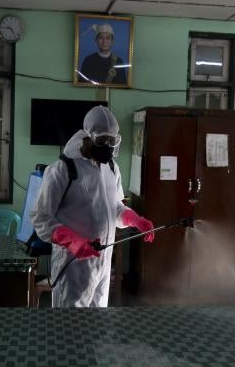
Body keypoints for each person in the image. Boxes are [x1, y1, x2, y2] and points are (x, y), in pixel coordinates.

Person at [31, 105, 154, 307]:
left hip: (103, 264)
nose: (107, 146)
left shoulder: (112, 169)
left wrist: (135, 220)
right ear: (86, 137)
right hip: (72, 266)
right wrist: (73, 241)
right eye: (101, 140)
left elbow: (115, 208)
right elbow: (41, 217)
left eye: (111, 141)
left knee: (97, 325)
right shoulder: (63, 170)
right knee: (69, 328)